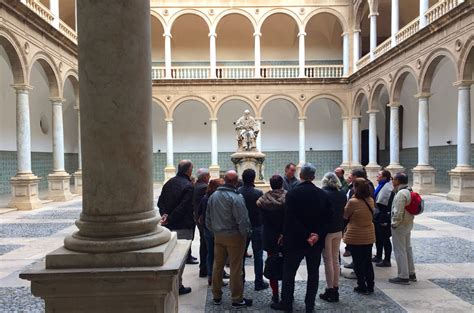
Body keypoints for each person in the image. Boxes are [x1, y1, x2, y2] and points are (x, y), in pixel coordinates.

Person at [271, 163, 333, 313]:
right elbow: (328, 219)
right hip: (315, 243)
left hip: (295, 241)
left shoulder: (292, 194)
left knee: (289, 273)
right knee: (313, 274)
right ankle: (309, 305)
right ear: (313, 177)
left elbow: (290, 219)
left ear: (300, 175)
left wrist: (304, 235)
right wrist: (316, 234)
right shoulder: (322, 194)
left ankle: (286, 303)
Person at [206, 170, 253, 308]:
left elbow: (208, 217)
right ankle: (237, 298)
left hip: (218, 236)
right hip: (234, 236)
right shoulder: (236, 197)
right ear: (235, 181)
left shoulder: (213, 196)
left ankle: (216, 296)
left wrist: (214, 231)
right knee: (236, 268)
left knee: (217, 266)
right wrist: (246, 233)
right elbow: (243, 219)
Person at [157, 160, 195, 295]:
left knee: (170, 256)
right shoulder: (188, 186)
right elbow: (183, 207)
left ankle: (170, 284)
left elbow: (160, 201)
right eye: (192, 169)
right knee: (181, 258)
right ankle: (177, 286)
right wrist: (170, 217)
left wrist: (164, 216)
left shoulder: (169, 182)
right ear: (189, 170)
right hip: (183, 225)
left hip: (169, 225)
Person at [257, 175, 287, 304]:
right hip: (285, 235)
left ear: (270, 184)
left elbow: (261, 218)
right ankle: (286, 292)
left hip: (269, 235)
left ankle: (275, 294)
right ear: (281, 184)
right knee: (287, 265)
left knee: (271, 263)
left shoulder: (263, 200)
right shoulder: (289, 198)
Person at [343, 178, 376, 295]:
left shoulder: (353, 202)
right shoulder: (370, 200)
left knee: (358, 262)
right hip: (368, 235)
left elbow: (345, 216)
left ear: (356, 188)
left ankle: (361, 285)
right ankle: (371, 285)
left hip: (355, 235)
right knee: (367, 261)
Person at [238, 169, 268, 290]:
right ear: (254, 178)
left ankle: (241, 280)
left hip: (242, 227)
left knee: (240, 255)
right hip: (256, 225)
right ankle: (259, 282)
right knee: (258, 254)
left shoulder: (238, 192)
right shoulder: (258, 193)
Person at [319, 172, 347, 303]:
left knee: (327, 260)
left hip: (327, 231)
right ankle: (336, 288)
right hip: (338, 229)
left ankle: (330, 289)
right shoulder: (342, 194)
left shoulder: (323, 194)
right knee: (335, 259)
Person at [196, 178, 228, 285]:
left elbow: (199, 214)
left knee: (210, 253)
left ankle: (212, 276)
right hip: (216, 230)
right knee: (219, 255)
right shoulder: (217, 198)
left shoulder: (205, 197)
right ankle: (216, 278)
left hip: (207, 229)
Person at [389, 172, 417, 285]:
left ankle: (403, 276)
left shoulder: (401, 193)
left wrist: (394, 223)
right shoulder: (409, 190)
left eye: (393, 179)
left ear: (398, 181)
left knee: (399, 249)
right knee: (407, 248)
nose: (392, 181)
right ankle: (411, 273)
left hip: (400, 225)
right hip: (408, 223)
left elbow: (398, 211)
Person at [373, 170, 394, 267]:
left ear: (385, 177)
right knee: (378, 237)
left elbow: (383, 203)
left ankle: (387, 260)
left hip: (384, 216)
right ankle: (378, 255)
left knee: (385, 238)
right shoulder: (381, 185)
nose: (377, 175)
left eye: (379, 174)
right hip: (379, 215)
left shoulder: (387, 188)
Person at [193, 168, 211, 275]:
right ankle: (205, 268)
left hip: (199, 218)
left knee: (203, 243)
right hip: (203, 220)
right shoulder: (204, 187)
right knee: (206, 244)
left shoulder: (196, 185)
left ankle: (204, 268)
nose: (209, 177)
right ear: (205, 177)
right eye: (208, 176)